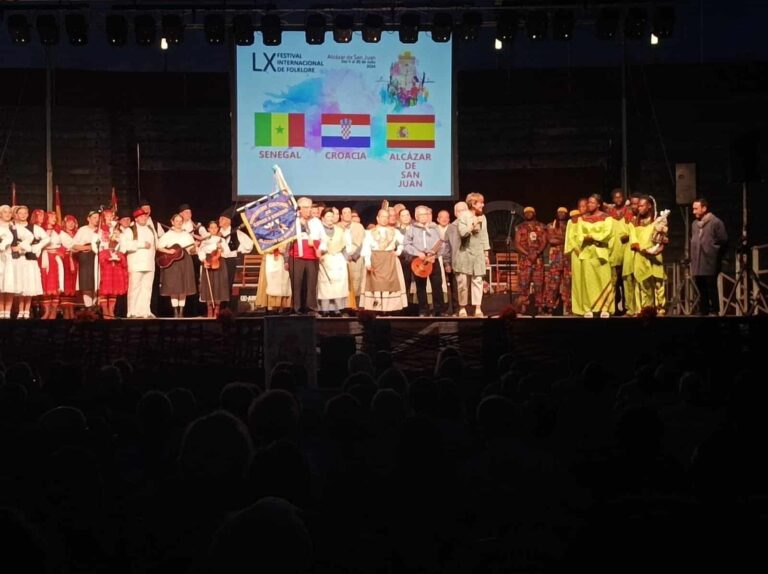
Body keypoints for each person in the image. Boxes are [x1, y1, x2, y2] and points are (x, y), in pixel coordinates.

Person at [359, 208, 408, 313]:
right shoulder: (369, 233)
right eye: (382, 217)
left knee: (389, 284)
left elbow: (405, 242)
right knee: (375, 284)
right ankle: (376, 308)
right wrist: (367, 262)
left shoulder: (394, 231)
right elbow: (366, 247)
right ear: (377, 218)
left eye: (387, 217)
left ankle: (388, 309)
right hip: (375, 259)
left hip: (389, 260)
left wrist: (398, 251)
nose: (385, 219)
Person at [573, 194, 614, 318]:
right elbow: (579, 235)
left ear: (598, 204)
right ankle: (588, 308)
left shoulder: (606, 218)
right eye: (588, 202)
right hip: (587, 253)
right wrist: (586, 238)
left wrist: (593, 237)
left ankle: (605, 308)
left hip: (601, 253)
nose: (588, 205)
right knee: (588, 282)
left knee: (604, 280)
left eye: (591, 202)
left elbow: (607, 233)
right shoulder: (582, 219)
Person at [404, 205, 446, 317]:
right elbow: (406, 245)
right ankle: (423, 310)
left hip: (433, 259)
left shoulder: (435, 228)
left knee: (437, 285)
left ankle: (439, 310)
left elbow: (442, 244)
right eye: (421, 214)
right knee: (420, 287)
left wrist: (435, 254)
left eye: (426, 214)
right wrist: (417, 253)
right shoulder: (411, 229)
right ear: (416, 216)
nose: (424, 216)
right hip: (419, 260)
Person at [454, 193, 491, 317]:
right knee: (463, 283)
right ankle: (462, 307)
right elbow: (462, 233)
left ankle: (478, 307)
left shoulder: (483, 218)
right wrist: (472, 226)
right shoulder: (463, 216)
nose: (483, 205)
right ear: (473, 203)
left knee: (478, 281)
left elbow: (484, 236)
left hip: (478, 254)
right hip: (465, 253)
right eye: (481, 202)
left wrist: (486, 255)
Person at [285, 197, 323, 315]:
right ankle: (297, 308)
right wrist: (285, 259)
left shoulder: (316, 221)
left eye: (310, 207)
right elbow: (286, 242)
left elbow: (323, 239)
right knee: (296, 283)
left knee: (311, 283)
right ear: (299, 209)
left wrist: (321, 250)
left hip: (312, 257)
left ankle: (311, 307)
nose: (309, 210)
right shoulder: (292, 221)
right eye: (306, 207)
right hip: (296, 257)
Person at [629, 196, 667, 314]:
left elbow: (662, 238)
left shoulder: (657, 221)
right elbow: (633, 239)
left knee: (658, 283)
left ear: (649, 206)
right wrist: (641, 248)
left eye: (642, 205)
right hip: (641, 256)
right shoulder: (634, 222)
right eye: (638, 205)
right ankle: (645, 310)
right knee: (643, 283)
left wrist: (661, 244)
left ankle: (660, 309)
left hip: (654, 256)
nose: (639, 207)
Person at [691, 197, 728, 316]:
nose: (694, 211)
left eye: (696, 209)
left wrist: (715, 254)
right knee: (701, 287)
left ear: (704, 208)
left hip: (710, 261)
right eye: (693, 209)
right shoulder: (694, 224)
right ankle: (704, 309)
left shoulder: (716, 222)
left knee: (711, 286)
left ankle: (714, 310)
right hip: (698, 261)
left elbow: (723, 240)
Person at [156, 213, 197, 318]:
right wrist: (168, 251)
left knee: (183, 286)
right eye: (176, 221)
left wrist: (195, 247)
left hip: (185, 261)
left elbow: (191, 251)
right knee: (174, 287)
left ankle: (181, 311)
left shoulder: (186, 235)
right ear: (172, 222)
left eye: (180, 221)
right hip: (172, 262)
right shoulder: (168, 234)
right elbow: (159, 246)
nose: (178, 223)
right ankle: (175, 311)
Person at [12, 205, 48, 318]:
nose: (23, 215)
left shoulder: (34, 227)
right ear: (16, 215)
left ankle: (26, 311)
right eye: (20, 213)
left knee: (29, 284)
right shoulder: (13, 227)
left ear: (28, 215)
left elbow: (47, 238)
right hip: (17, 259)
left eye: (25, 213)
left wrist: (37, 247)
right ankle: (19, 310)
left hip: (29, 258)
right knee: (20, 285)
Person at [122, 207, 157, 318]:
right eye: (141, 216)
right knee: (134, 288)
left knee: (147, 288)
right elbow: (124, 246)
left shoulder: (150, 229)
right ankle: (132, 312)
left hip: (149, 263)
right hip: (136, 264)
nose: (144, 218)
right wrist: (141, 243)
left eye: (145, 216)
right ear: (136, 219)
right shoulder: (130, 230)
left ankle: (145, 311)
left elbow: (157, 244)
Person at [93, 207, 128, 319]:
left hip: (115, 259)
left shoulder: (117, 230)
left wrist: (117, 254)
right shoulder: (98, 231)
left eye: (111, 216)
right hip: (103, 260)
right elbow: (95, 246)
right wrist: (105, 254)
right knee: (103, 285)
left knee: (114, 285)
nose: (109, 218)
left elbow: (122, 244)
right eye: (107, 216)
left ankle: (111, 312)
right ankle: (105, 311)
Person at [218, 208, 254, 310]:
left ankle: (226, 308)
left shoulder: (236, 233)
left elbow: (249, 245)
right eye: (220, 219)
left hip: (230, 261)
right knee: (217, 284)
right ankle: (217, 307)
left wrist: (238, 250)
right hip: (217, 260)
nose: (220, 220)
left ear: (228, 221)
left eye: (222, 219)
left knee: (227, 284)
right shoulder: (216, 232)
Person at [515, 206, 548, 315]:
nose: (528, 214)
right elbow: (517, 243)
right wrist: (528, 254)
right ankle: (523, 307)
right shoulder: (520, 227)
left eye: (530, 212)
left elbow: (544, 241)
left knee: (539, 284)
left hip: (538, 260)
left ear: (534, 213)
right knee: (524, 284)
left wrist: (537, 253)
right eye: (526, 212)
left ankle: (540, 307)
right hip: (525, 260)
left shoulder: (541, 226)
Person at [317, 208, 349, 316]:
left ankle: (337, 309)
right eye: (328, 216)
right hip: (324, 259)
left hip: (338, 259)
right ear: (322, 218)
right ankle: (325, 309)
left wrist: (345, 259)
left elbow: (344, 246)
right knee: (325, 285)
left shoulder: (339, 230)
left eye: (332, 216)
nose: (330, 219)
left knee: (338, 285)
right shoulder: (319, 230)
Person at [197, 220, 230, 317]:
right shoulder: (205, 240)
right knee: (209, 285)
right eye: (211, 228)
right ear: (208, 229)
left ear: (218, 229)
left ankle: (217, 309)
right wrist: (204, 261)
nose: (213, 229)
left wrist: (221, 249)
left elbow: (227, 253)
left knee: (218, 285)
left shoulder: (222, 240)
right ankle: (209, 309)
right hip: (208, 261)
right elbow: (200, 251)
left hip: (219, 262)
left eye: (215, 227)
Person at [607, 188, 632, 315]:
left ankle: (628, 307)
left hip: (626, 249)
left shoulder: (629, 211)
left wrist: (628, 235)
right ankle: (615, 307)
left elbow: (632, 227)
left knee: (626, 281)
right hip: (613, 251)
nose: (618, 199)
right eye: (615, 197)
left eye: (620, 197)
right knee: (614, 282)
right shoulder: (609, 212)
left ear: (624, 198)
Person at [543, 207, 571, 315]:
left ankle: (568, 306)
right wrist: (566, 239)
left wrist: (559, 238)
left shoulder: (570, 225)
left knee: (567, 282)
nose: (561, 214)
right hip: (555, 257)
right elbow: (551, 239)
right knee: (553, 282)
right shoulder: (551, 225)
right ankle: (550, 306)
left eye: (563, 212)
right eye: (559, 212)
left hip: (567, 256)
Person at [72, 210, 100, 310]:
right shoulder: (83, 230)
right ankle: (88, 307)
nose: (96, 220)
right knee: (86, 282)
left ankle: (96, 306)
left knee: (96, 280)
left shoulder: (101, 230)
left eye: (98, 218)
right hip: (86, 256)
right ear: (88, 218)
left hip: (97, 256)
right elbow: (73, 245)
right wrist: (84, 248)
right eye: (94, 218)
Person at [564, 198, 587, 316]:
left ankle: (587, 306)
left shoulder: (588, 219)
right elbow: (569, 237)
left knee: (587, 280)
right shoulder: (571, 221)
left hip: (588, 252)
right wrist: (570, 251)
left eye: (585, 206)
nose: (583, 208)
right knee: (577, 281)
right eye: (580, 206)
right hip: (576, 253)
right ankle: (578, 308)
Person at [38, 211, 63, 319]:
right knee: (46, 283)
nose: (54, 219)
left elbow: (66, 245)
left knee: (56, 284)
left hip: (55, 260)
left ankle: (53, 311)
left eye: (55, 217)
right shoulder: (41, 230)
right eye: (52, 217)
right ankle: (47, 311)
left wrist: (58, 251)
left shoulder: (58, 231)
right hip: (45, 259)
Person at [339, 206, 365, 306]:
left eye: (349, 212)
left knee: (357, 281)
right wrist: (345, 256)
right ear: (341, 216)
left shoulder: (359, 226)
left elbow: (362, 242)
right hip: (342, 259)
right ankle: (344, 306)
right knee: (344, 282)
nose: (347, 215)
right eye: (345, 213)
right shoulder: (337, 227)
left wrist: (354, 256)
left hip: (356, 258)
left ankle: (357, 306)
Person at [621, 193, 642, 316]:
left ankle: (640, 309)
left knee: (640, 280)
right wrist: (632, 231)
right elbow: (622, 237)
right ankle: (630, 309)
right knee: (628, 280)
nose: (635, 206)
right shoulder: (627, 218)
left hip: (640, 252)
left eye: (637, 204)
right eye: (633, 203)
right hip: (629, 251)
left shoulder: (645, 219)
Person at [58, 215, 79, 319]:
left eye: (73, 222)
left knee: (73, 284)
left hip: (75, 259)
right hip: (65, 260)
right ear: (64, 223)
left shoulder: (77, 234)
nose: (71, 224)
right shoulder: (61, 234)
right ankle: (66, 311)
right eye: (68, 222)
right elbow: (68, 246)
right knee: (66, 283)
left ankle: (72, 310)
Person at [0, 204, 17, 319]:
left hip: (11, 257)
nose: (7, 214)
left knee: (9, 284)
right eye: (5, 212)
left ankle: (8, 311)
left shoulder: (14, 227)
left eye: (9, 212)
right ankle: (1, 311)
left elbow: (28, 238)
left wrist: (20, 247)